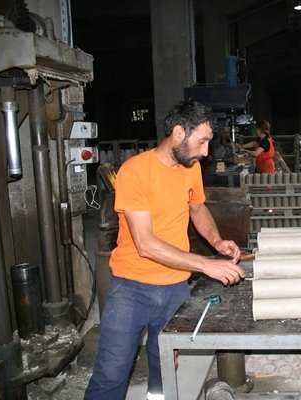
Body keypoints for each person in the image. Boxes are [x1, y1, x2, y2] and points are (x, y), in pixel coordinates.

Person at [84, 101, 245, 400]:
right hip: (132, 288)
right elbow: (145, 244)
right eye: (202, 142)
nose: (205, 152)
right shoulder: (135, 171)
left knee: (165, 367)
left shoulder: (191, 167)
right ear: (178, 132)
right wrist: (206, 264)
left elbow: (197, 208)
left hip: (175, 288)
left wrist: (217, 242)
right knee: (112, 371)